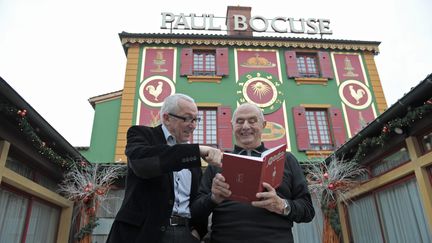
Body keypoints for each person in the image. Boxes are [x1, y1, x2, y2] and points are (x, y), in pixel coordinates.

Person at [106, 93, 223, 243]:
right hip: (143, 234)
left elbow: (194, 202)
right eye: (187, 118)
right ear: (166, 118)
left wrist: (196, 231)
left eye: (195, 119)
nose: (193, 125)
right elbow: (143, 164)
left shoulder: (192, 159)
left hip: (184, 234)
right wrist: (197, 150)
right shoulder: (141, 134)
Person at [191, 103, 315, 243]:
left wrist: (282, 205)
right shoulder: (217, 163)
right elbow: (195, 212)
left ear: (263, 125)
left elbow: (308, 211)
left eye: (252, 121)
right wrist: (213, 198)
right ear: (232, 126)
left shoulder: (286, 159)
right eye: (239, 121)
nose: (245, 126)